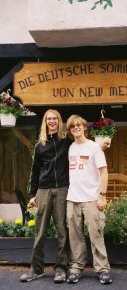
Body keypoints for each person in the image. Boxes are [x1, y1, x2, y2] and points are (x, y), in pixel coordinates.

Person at [20, 109, 71, 283]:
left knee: (62, 231)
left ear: (59, 120)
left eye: (54, 118)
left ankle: (61, 269)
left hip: (63, 189)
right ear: (45, 122)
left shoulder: (67, 141)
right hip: (43, 189)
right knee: (40, 231)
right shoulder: (39, 145)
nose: (51, 121)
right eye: (48, 119)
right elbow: (34, 171)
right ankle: (36, 269)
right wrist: (32, 194)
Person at [66, 114, 113, 285]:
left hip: (92, 198)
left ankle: (102, 269)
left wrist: (102, 195)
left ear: (85, 127)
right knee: (75, 236)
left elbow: (104, 172)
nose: (76, 128)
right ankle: (77, 267)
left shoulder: (94, 148)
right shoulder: (70, 147)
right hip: (72, 198)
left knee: (96, 234)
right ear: (70, 130)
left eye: (79, 125)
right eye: (73, 126)